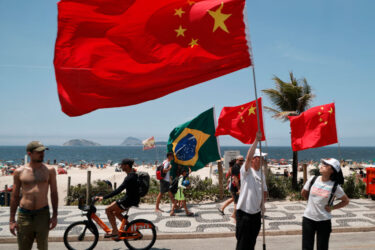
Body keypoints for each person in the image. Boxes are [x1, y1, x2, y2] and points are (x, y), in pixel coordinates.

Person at [9, 141, 58, 250]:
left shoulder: (49, 170)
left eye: (43, 151)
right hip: (24, 215)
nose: (42, 154)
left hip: (42, 214)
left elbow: (54, 192)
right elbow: (15, 196)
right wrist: (12, 220)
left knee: (43, 247)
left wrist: (55, 216)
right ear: (29, 153)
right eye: (38, 152)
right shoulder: (19, 172)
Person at [301, 158, 349, 250]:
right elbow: (303, 193)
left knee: (322, 247)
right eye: (323, 163)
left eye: (326, 165)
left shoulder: (335, 186)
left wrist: (332, 208)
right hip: (308, 218)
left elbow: (346, 201)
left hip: (324, 220)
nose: (322, 165)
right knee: (306, 247)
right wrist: (312, 202)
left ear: (332, 170)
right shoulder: (313, 179)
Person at [235, 131, 267, 250]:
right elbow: (248, 158)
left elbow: (264, 191)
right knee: (242, 244)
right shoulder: (246, 171)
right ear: (254, 159)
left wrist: (263, 204)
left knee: (251, 243)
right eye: (260, 157)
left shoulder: (261, 174)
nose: (262, 159)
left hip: (256, 214)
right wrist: (256, 141)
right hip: (244, 214)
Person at [96, 158, 139, 239]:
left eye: (122, 165)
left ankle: (115, 232)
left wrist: (104, 197)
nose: (121, 166)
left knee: (108, 210)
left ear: (126, 166)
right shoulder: (132, 174)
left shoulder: (130, 177)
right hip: (130, 199)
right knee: (116, 212)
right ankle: (131, 229)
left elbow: (118, 190)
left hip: (128, 200)